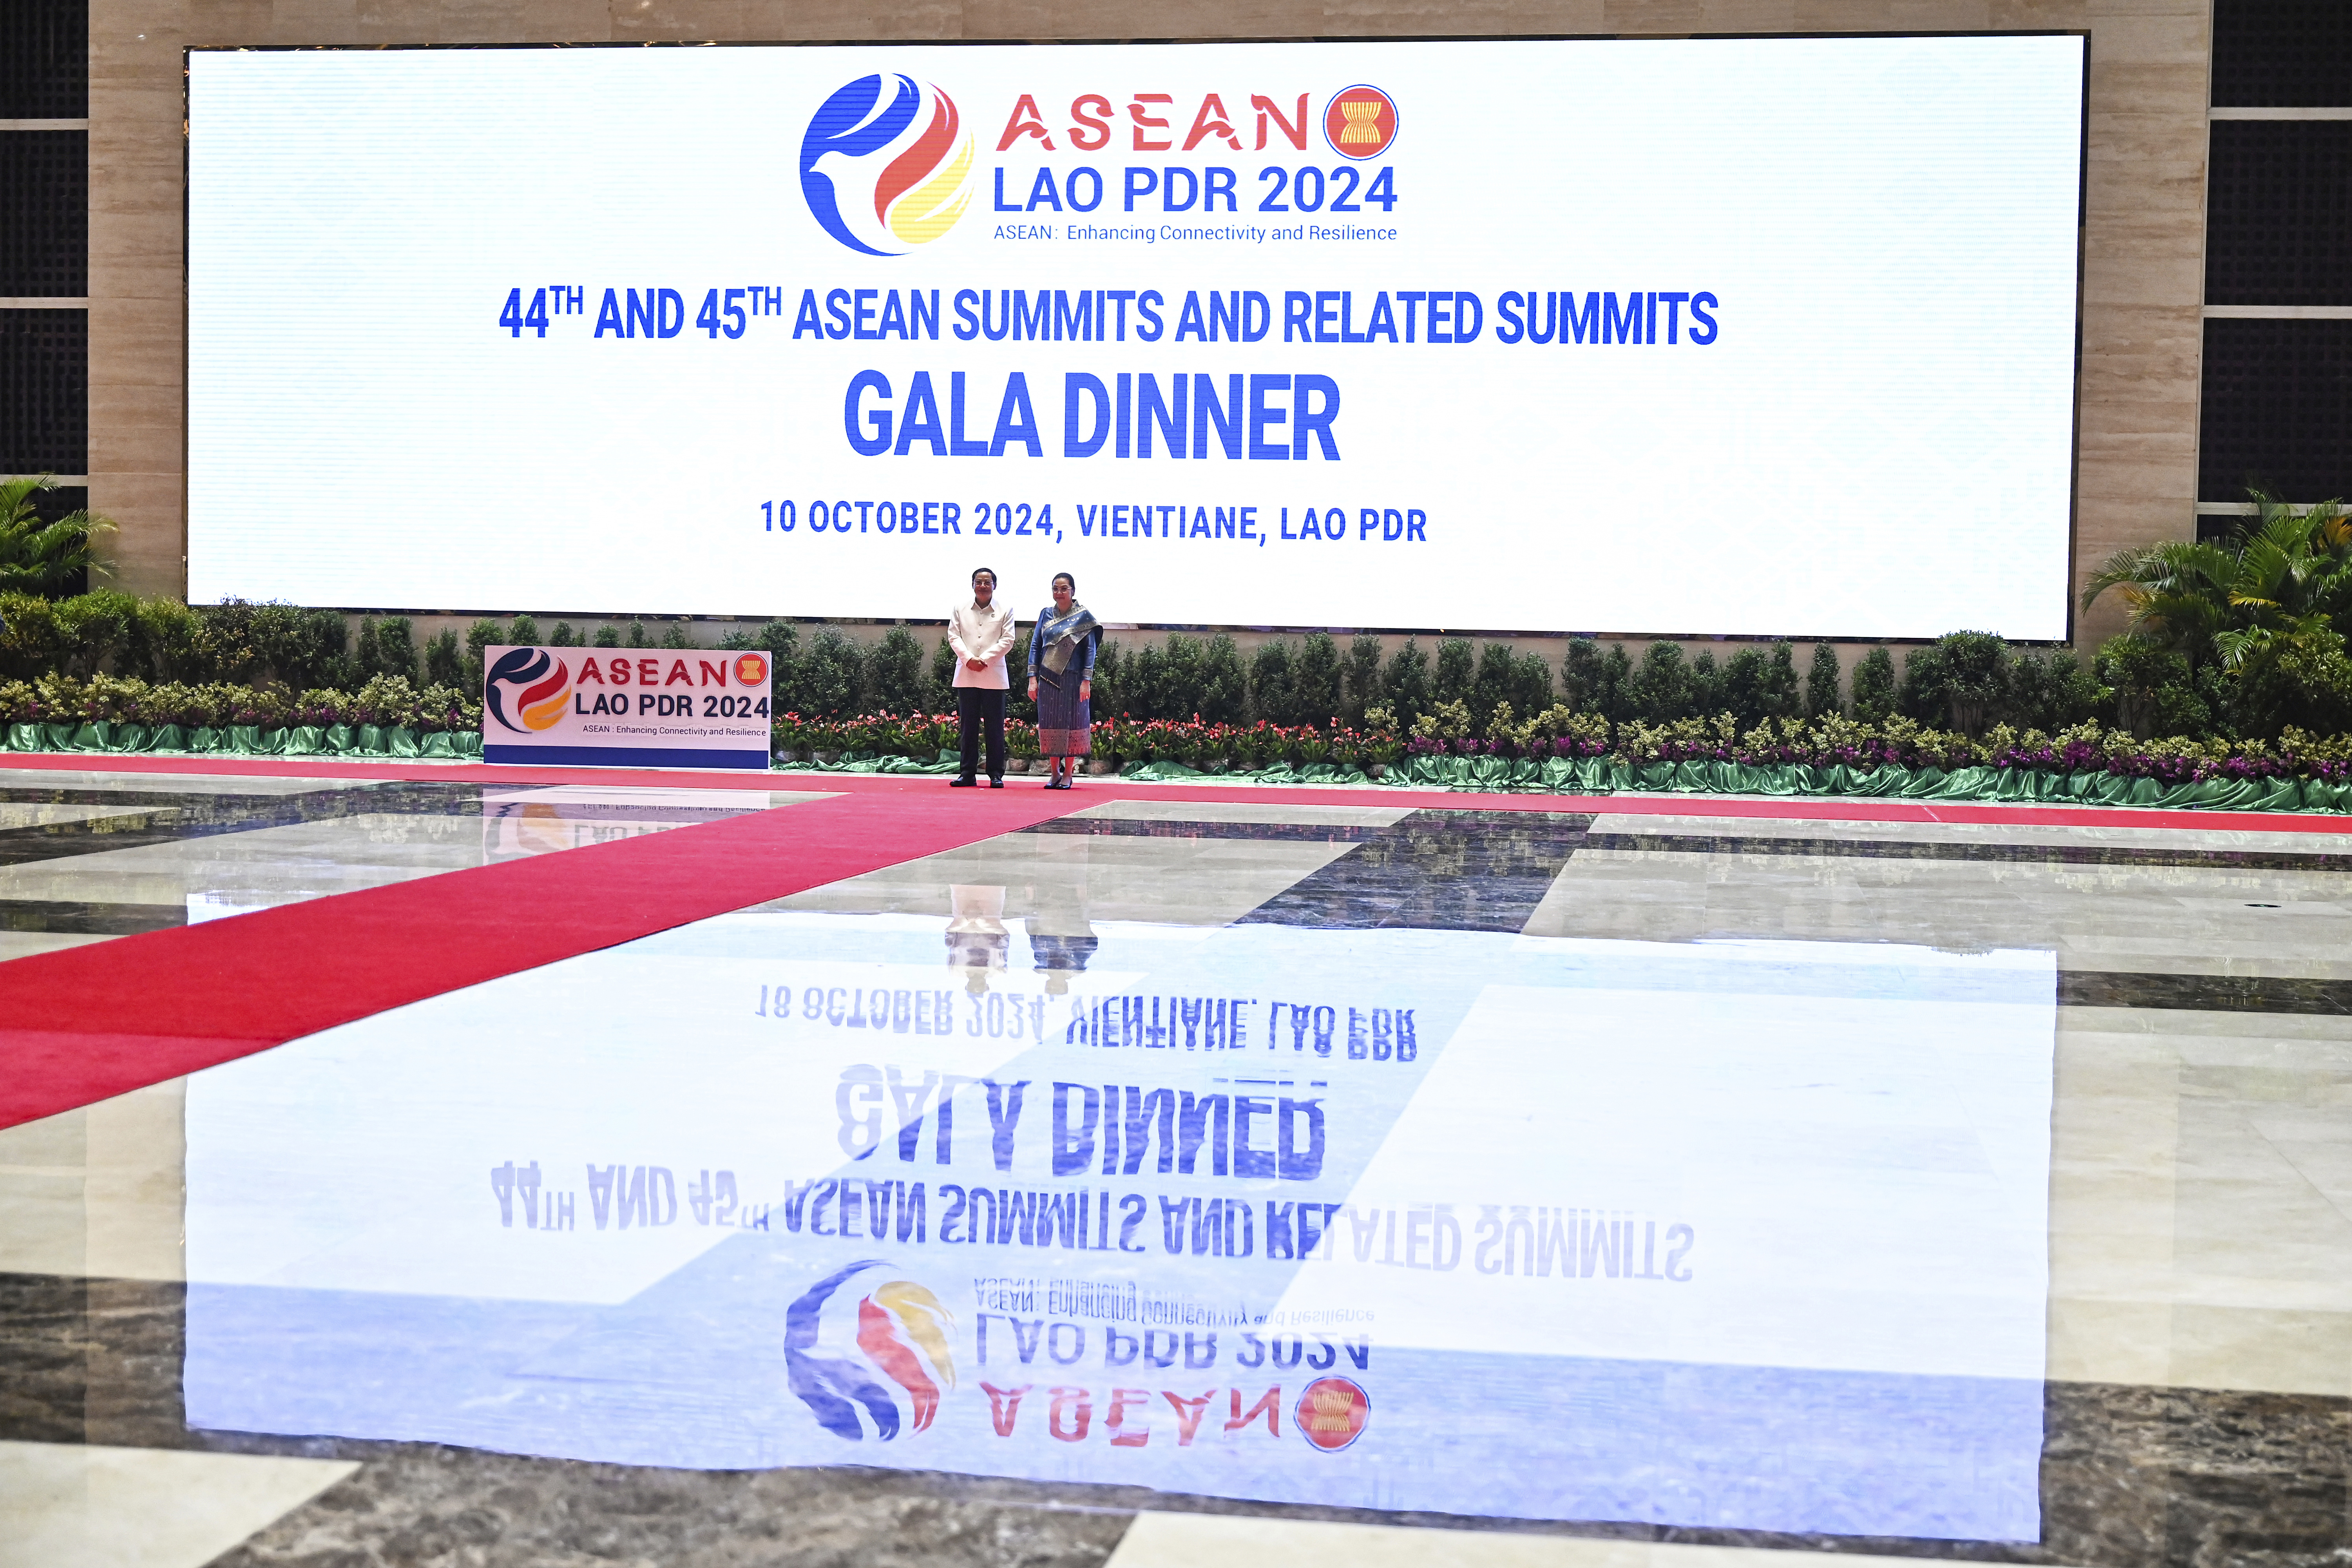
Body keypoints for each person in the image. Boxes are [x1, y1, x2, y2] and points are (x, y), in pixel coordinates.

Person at [1028, 572, 1098, 790]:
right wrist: (1033, 678)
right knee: (1050, 725)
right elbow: (1035, 646)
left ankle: (1068, 774)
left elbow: (1090, 651)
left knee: (1073, 725)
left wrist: (1086, 681)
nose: (1059, 593)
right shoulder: (1046, 614)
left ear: (1073, 591)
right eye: (1055, 589)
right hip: (1048, 679)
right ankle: (1054, 774)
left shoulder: (1084, 617)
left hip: (1074, 679)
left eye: (1064, 588)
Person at [947, 566, 1015, 788]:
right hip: (967, 674)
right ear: (973, 585)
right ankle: (967, 773)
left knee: (995, 727)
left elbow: (1008, 640)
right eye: (979, 582)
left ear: (995, 585)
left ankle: (996, 774)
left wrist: (984, 659)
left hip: (993, 675)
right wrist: (969, 659)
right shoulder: (960, 608)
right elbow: (954, 636)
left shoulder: (1005, 610)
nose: (983, 586)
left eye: (987, 582)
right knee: (968, 727)